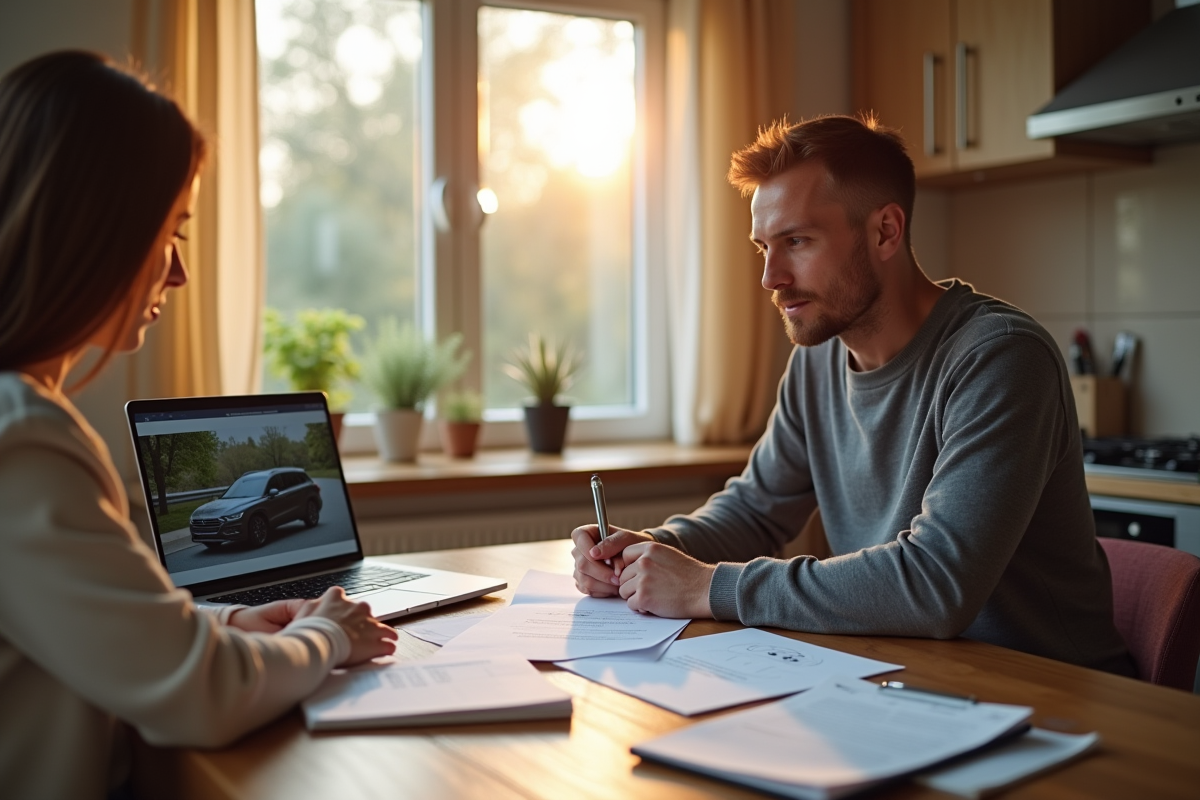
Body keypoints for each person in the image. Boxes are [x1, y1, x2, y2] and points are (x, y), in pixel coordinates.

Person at [572, 114, 1134, 676]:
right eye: (763, 247)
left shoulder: (1001, 358)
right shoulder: (816, 361)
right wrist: (645, 552)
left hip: (1049, 697)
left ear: (886, 231)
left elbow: (935, 584)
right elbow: (755, 510)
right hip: (905, 678)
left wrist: (708, 587)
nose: (770, 277)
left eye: (797, 241)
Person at [0, 51, 397, 799]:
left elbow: (100, 637)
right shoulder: (21, 438)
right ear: (96, 230)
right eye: (170, 231)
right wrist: (327, 636)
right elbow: (197, 697)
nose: (177, 273)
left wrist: (220, 626)